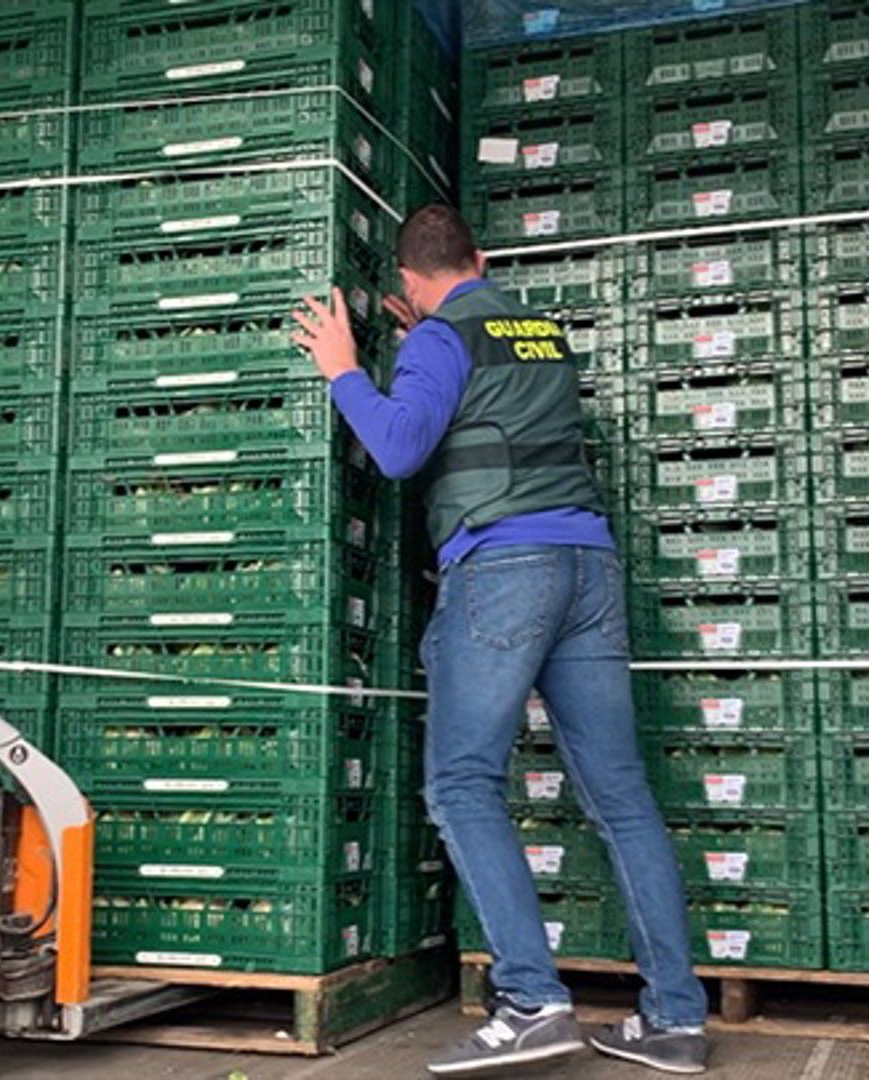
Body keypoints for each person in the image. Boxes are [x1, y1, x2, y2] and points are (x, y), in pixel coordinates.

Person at [293, 205, 711, 1075]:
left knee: (461, 783)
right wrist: (428, 334)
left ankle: (530, 1000)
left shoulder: (438, 342)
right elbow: (496, 399)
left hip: (503, 569)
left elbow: (400, 447)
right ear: (479, 261)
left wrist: (344, 370)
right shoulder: (538, 332)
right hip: (588, 570)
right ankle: (675, 1017)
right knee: (622, 799)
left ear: (407, 282)